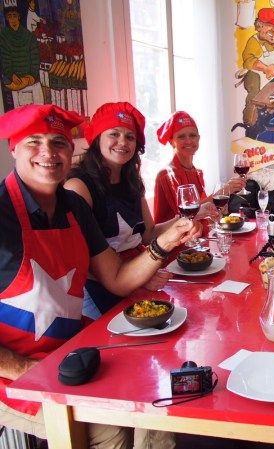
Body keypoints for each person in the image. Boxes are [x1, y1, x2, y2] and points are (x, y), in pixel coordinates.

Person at [0, 104, 199, 448]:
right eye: (34, 142)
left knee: (157, 388)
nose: (48, 153)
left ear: (71, 149)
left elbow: (116, 279)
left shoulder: (73, 207)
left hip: (72, 351)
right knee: (113, 430)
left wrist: (165, 243)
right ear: (13, 149)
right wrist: (23, 369)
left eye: (58, 143)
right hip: (15, 371)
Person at [63, 102, 184, 321]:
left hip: (136, 273)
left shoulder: (132, 181)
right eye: (114, 134)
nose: (123, 142)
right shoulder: (78, 187)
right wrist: (138, 276)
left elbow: (148, 234)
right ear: (97, 138)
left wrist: (182, 220)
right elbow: (80, 261)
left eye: (130, 137)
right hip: (95, 288)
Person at [153, 111, 246, 224]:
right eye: (181, 136)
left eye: (192, 135)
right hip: (176, 235)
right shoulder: (168, 175)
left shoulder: (197, 172)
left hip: (197, 233)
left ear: (198, 138)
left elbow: (202, 210)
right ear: (172, 142)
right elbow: (185, 216)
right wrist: (223, 192)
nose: (188, 141)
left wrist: (218, 209)